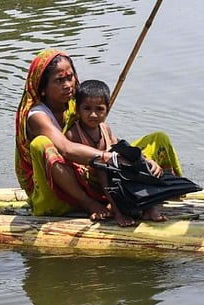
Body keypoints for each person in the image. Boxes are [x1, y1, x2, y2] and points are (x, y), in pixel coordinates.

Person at [15, 48, 182, 221]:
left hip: (93, 170)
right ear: (42, 89)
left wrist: (142, 159)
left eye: (70, 77)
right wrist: (110, 159)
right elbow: (66, 149)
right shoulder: (37, 116)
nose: (68, 85)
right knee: (41, 144)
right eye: (59, 80)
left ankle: (165, 191)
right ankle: (90, 203)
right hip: (58, 188)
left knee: (158, 139)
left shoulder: (78, 103)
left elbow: (113, 142)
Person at [65, 79, 171, 226]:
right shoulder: (73, 134)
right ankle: (118, 211)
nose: (93, 115)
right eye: (87, 109)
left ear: (107, 110)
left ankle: (149, 206)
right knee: (102, 167)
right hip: (93, 181)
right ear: (77, 109)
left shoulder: (105, 128)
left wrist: (146, 160)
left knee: (134, 160)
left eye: (99, 109)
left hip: (112, 178)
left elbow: (121, 148)